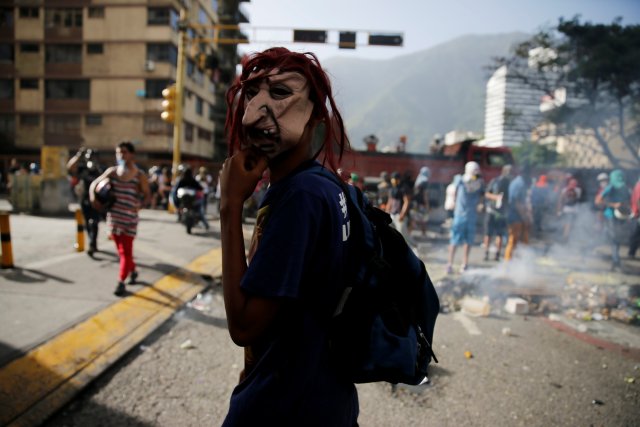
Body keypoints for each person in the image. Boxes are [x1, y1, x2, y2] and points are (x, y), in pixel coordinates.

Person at [219, 47, 358, 425]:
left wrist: (230, 206)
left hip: (285, 409)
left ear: (315, 114)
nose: (255, 111)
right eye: (251, 94)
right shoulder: (324, 186)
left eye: (280, 94)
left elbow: (244, 326)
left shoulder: (301, 197)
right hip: (323, 397)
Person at [90, 142, 150, 296]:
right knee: (122, 252)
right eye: (118, 152)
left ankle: (121, 282)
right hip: (114, 219)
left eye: (124, 152)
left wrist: (140, 206)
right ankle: (133, 271)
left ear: (132, 154)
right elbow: (94, 183)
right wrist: (93, 198)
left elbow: (148, 195)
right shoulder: (113, 172)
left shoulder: (139, 175)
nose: (121, 155)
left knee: (125, 252)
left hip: (130, 219)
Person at [446, 161, 484, 273]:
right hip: (460, 214)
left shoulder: (479, 182)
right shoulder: (461, 180)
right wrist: (452, 201)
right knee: (454, 240)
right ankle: (450, 263)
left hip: (471, 215)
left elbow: (482, 194)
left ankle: (465, 264)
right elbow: (454, 191)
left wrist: (481, 204)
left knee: (469, 241)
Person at [67, 147, 103, 256]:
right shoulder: (82, 168)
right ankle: (92, 241)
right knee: (87, 221)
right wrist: (78, 155)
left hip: (96, 200)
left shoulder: (99, 170)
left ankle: (93, 242)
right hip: (84, 198)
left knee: (95, 221)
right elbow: (70, 167)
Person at [595, 170, 631, 271]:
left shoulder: (625, 188)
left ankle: (615, 260)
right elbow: (598, 200)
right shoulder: (610, 187)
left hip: (621, 216)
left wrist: (627, 211)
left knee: (613, 238)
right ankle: (616, 260)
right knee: (614, 238)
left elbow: (629, 201)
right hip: (610, 216)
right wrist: (613, 205)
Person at [482, 164, 512, 261]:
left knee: (499, 234)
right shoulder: (495, 181)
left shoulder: (509, 184)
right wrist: (496, 197)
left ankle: (497, 254)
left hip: (502, 213)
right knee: (489, 234)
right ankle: (486, 253)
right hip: (492, 211)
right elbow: (487, 193)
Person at [504, 167, 532, 261]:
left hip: (518, 217)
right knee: (513, 241)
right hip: (515, 217)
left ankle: (516, 263)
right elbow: (516, 202)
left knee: (520, 242)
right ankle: (508, 264)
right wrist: (524, 217)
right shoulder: (519, 184)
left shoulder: (520, 183)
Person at [386, 171, 414, 247]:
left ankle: (415, 247)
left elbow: (406, 201)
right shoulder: (392, 188)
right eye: (392, 178)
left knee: (403, 235)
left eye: (395, 179)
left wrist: (402, 214)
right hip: (392, 214)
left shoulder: (404, 188)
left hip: (400, 216)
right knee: (392, 234)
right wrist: (386, 212)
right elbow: (390, 201)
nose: (393, 180)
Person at [556, 177, 582, 243]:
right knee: (567, 224)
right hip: (567, 210)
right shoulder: (564, 190)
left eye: (574, 183)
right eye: (571, 183)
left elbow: (575, 196)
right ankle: (565, 238)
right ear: (569, 183)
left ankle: (572, 238)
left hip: (575, 210)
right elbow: (561, 200)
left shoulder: (578, 190)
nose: (573, 184)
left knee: (573, 225)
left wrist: (570, 190)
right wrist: (559, 210)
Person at [410, 166, 431, 238]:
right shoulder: (425, 181)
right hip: (421, 203)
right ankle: (424, 234)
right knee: (423, 218)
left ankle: (410, 233)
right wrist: (427, 204)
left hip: (415, 202)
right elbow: (425, 194)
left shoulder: (418, 179)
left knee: (414, 218)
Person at [628, 176, 640, 259]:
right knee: (636, 234)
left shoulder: (637, 185)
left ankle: (631, 252)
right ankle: (631, 252)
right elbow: (638, 200)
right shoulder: (639, 186)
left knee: (636, 234)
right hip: (637, 214)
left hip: (636, 213)